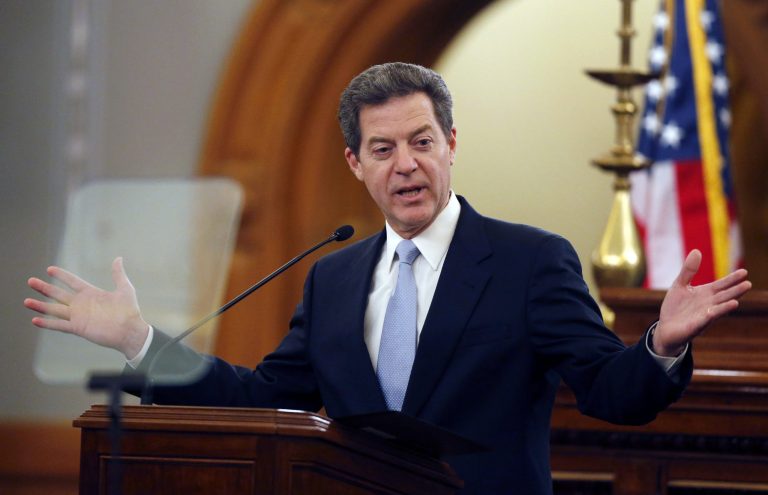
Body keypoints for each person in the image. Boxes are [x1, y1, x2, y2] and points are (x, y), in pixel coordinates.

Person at [25, 62, 751, 494]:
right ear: (356, 163)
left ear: (452, 144)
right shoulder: (333, 278)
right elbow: (261, 397)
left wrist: (659, 343)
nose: (406, 163)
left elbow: (610, 392)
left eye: (422, 141)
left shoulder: (531, 260)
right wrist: (139, 340)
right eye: (383, 148)